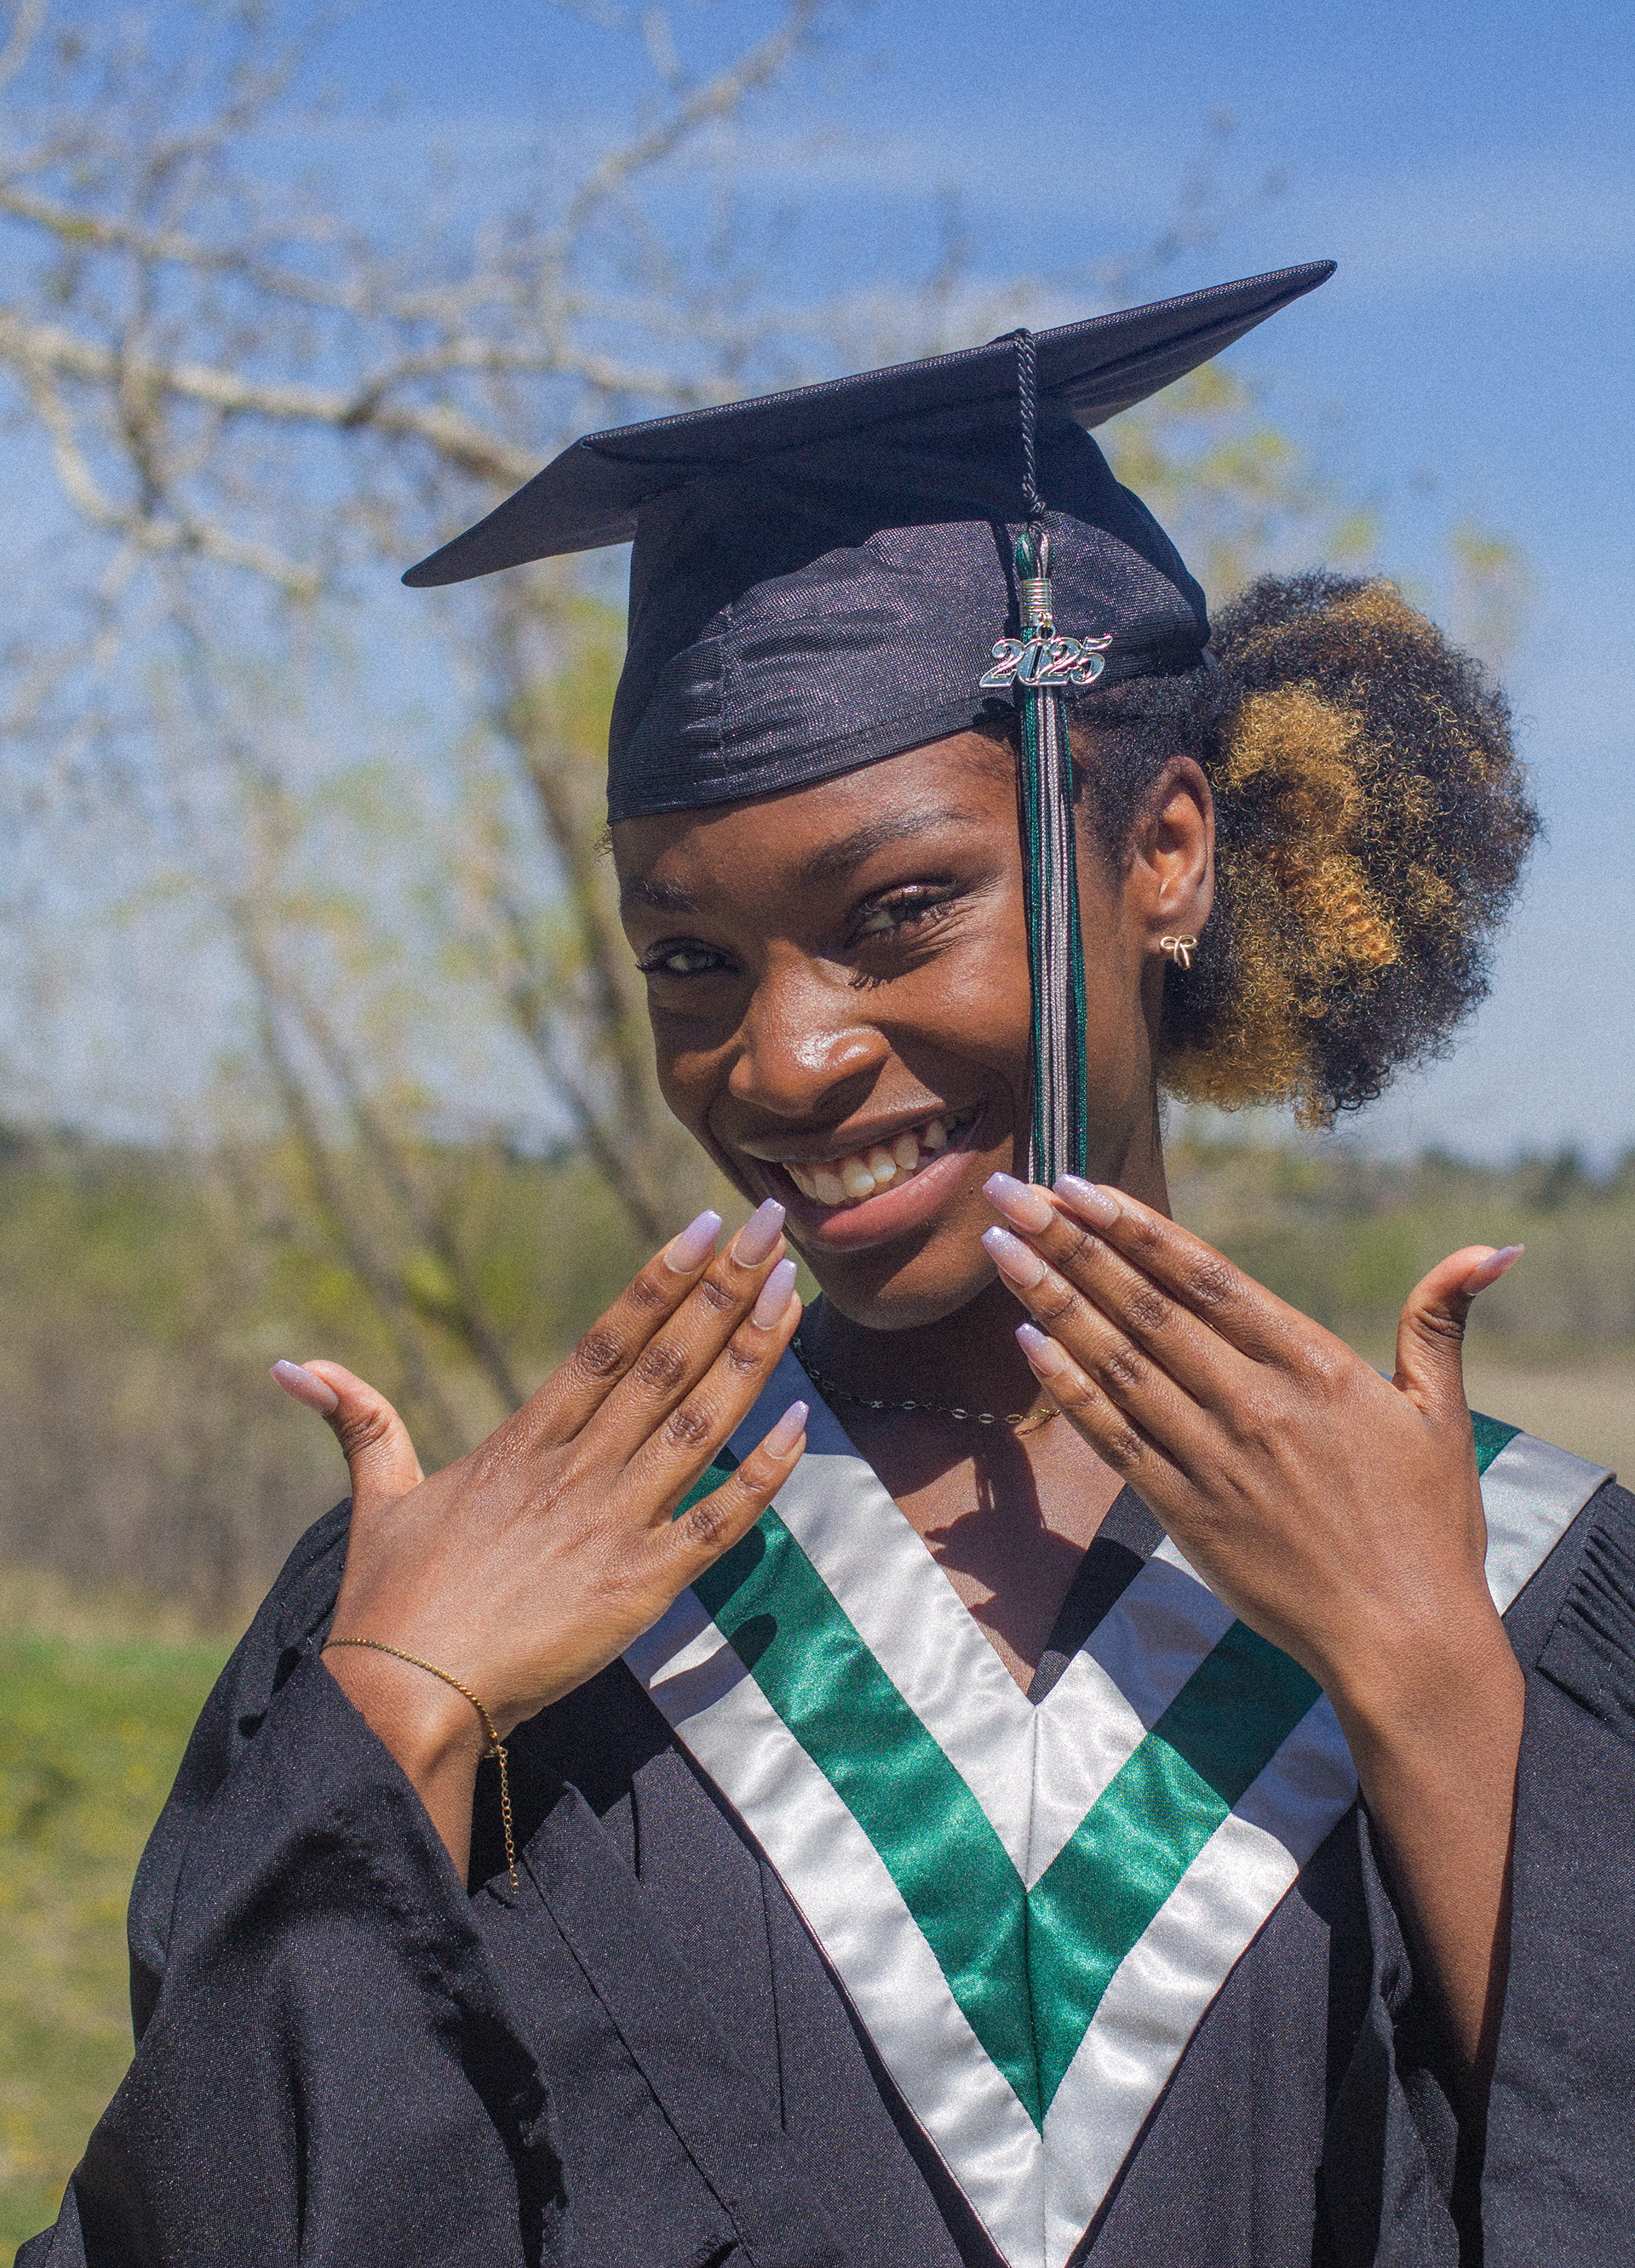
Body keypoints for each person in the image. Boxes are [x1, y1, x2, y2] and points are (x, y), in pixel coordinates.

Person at [22, 266, 1634, 2268]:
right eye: (689, 957)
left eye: (898, 910)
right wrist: (389, 1727)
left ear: (1166, 852)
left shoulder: (1513, 1588)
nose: (779, 1059)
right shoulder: (501, 1613)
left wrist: (1436, 1686)